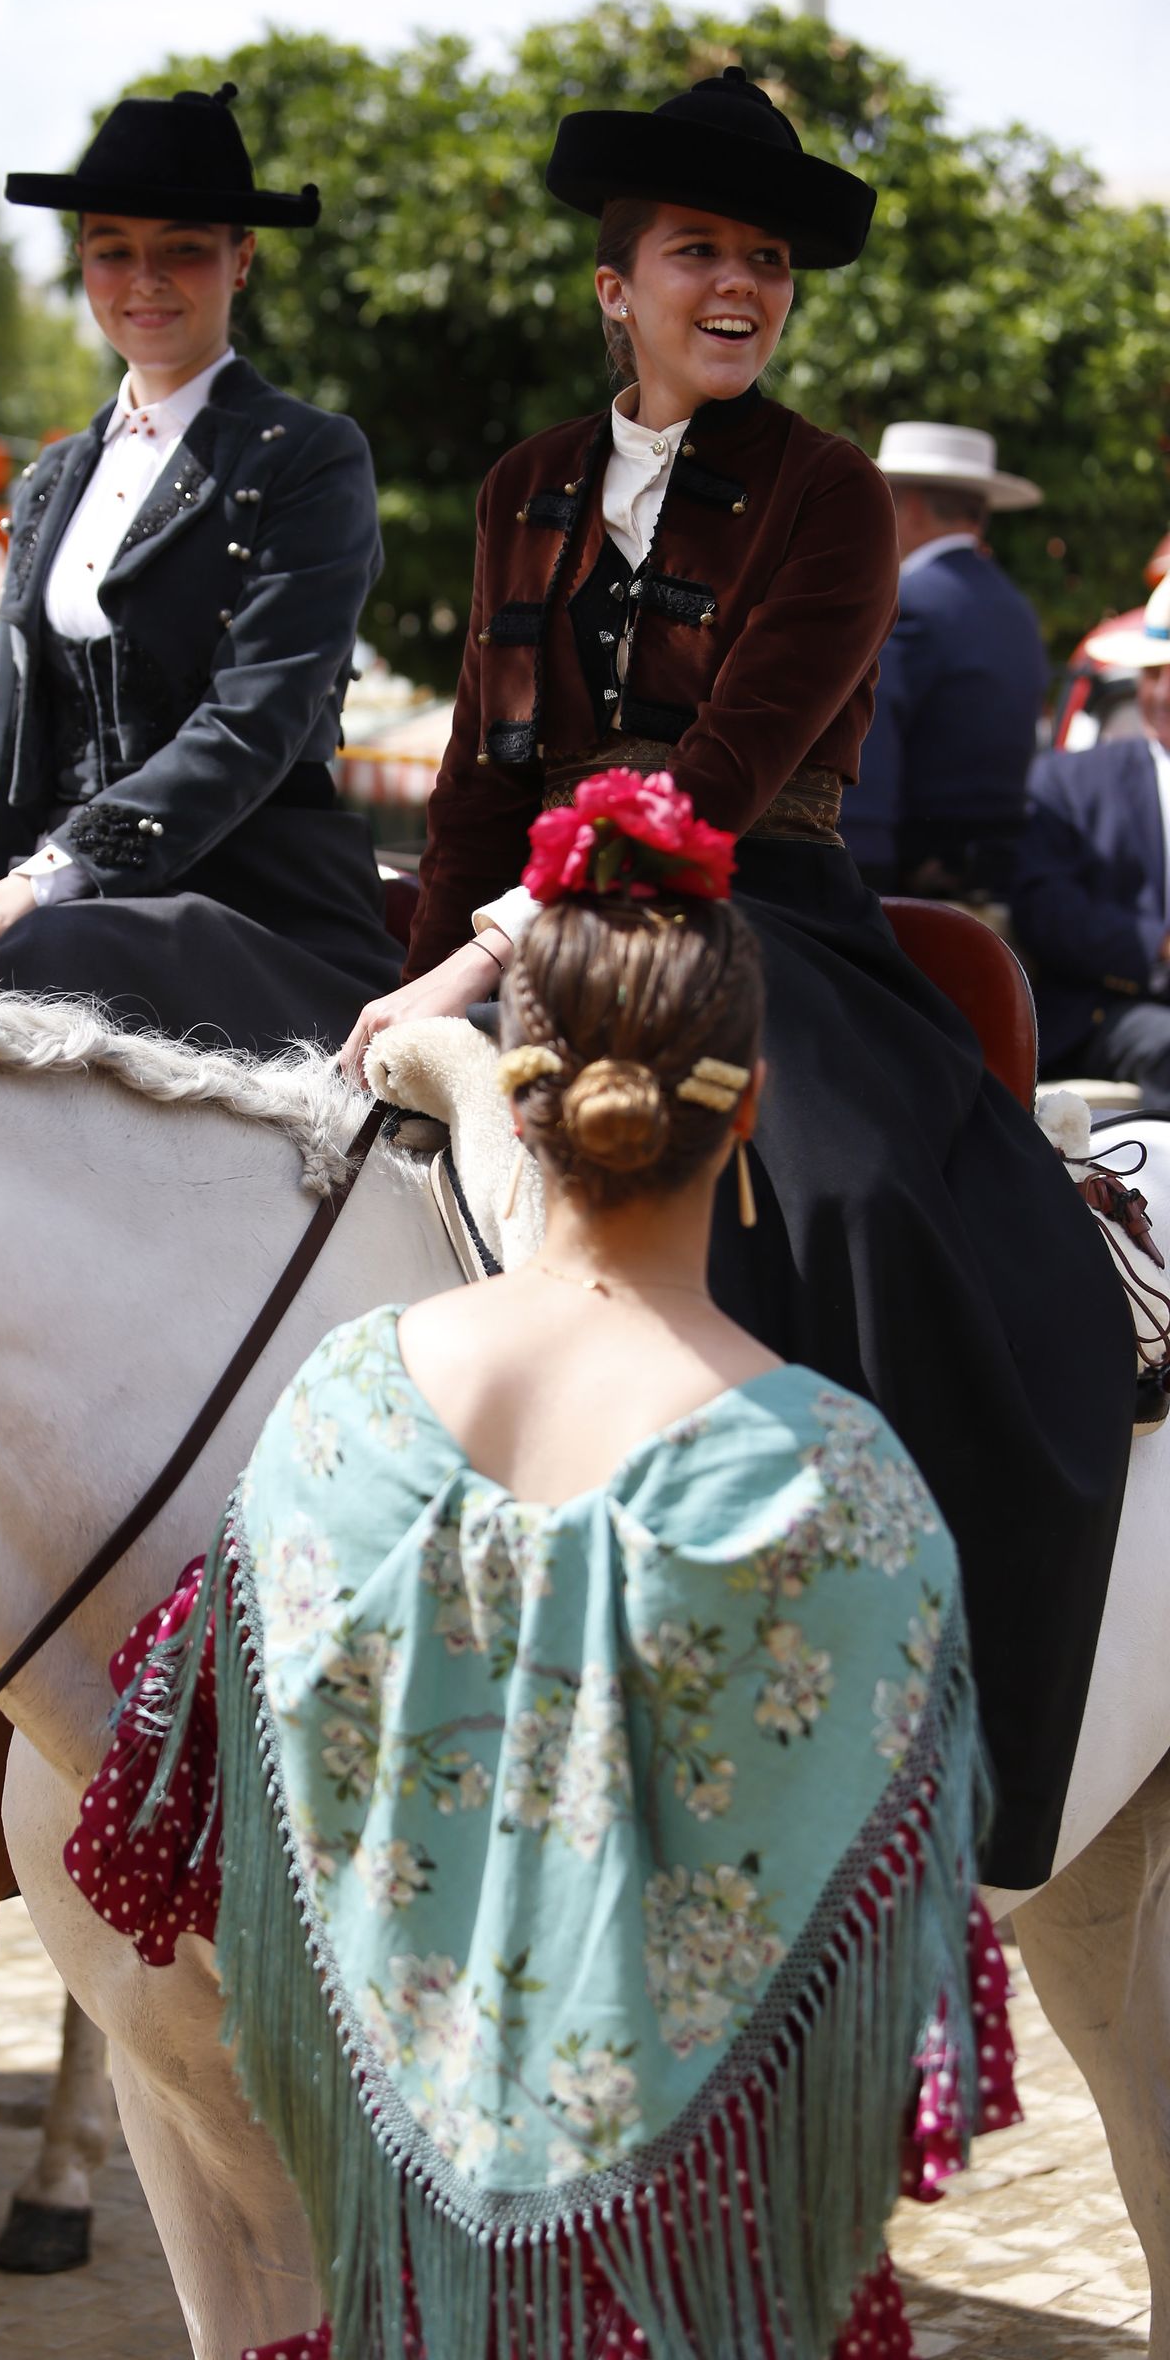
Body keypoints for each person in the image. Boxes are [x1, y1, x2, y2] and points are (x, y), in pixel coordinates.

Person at [69, 785, 1011, 2360]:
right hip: (708, 2286)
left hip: (403, 2265)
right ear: (752, 1105)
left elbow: (167, 1826)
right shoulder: (845, 1485)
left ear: (519, 1092)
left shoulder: (338, 1406)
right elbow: (893, 1990)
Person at [343, 67, 1134, 1895]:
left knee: (862, 1203)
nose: (742, 287)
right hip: (520, 929)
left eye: (767, 261)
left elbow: (709, 783)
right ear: (615, 285)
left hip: (760, 917)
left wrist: (488, 948)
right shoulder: (524, 487)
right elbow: (479, 768)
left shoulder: (838, 500)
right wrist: (413, 985)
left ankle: (916, 1737)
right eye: (700, 250)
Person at [0, 83, 401, 1052]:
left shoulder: (309, 456)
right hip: (47, 900)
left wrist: (55, 872)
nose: (143, 279)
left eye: (181, 248)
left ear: (243, 258)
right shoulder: (52, 476)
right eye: (113, 251)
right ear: (81, 263)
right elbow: (10, 753)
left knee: (42, 958)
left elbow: (254, 719)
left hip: (251, 901)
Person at [841, 422, 1049, 900]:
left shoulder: (905, 600)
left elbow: (869, 746)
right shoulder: (1016, 607)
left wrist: (859, 878)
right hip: (995, 877)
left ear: (908, 508)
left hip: (911, 880)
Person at [1011, 573, 1170, 1097]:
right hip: (1110, 1010)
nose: (1163, 691)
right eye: (1151, 674)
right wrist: (1158, 947)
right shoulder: (1073, 780)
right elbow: (1044, 908)